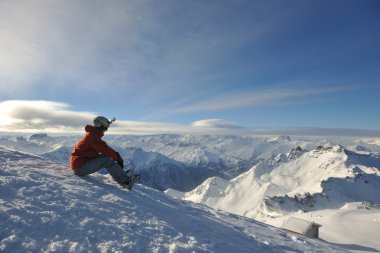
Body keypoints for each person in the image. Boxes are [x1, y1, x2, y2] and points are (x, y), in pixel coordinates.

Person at [70, 116, 136, 189]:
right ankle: (126, 182)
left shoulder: (92, 134)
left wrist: (116, 157)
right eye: (105, 127)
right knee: (107, 160)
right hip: (80, 168)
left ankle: (121, 174)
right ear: (99, 126)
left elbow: (103, 149)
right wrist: (118, 158)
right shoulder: (93, 137)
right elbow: (105, 149)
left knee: (106, 158)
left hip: (81, 163)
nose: (105, 130)